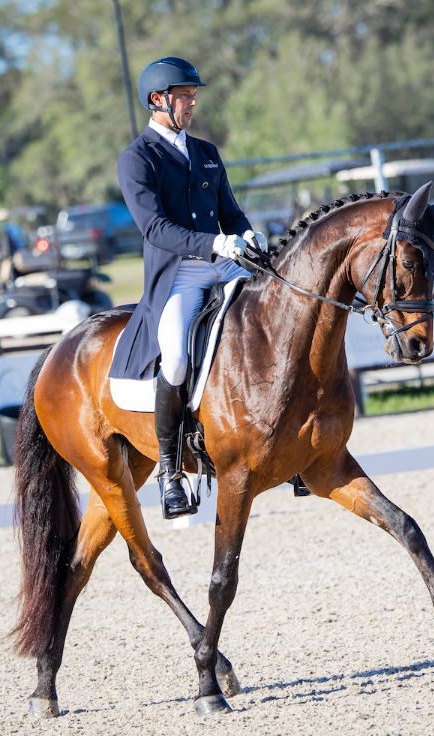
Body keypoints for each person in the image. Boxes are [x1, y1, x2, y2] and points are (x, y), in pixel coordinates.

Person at [108, 56, 268, 519]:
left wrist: (246, 232)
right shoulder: (137, 159)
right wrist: (213, 241)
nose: (193, 101)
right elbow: (154, 228)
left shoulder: (207, 152)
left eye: (194, 94)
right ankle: (170, 469)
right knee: (176, 356)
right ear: (159, 100)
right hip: (178, 274)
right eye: (185, 94)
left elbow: (231, 211)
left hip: (224, 262)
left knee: (274, 314)